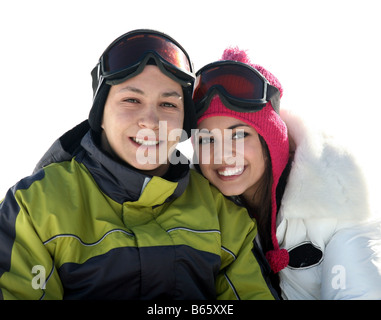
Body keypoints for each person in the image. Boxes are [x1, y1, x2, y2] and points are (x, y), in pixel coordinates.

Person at [0, 30, 274, 300]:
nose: (152, 121)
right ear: (100, 114)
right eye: (131, 100)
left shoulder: (222, 215)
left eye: (168, 104)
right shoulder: (34, 206)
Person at [193, 47, 381, 299]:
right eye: (206, 139)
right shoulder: (203, 220)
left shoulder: (339, 220)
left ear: (270, 143)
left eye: (239, 135)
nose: (222, 154)